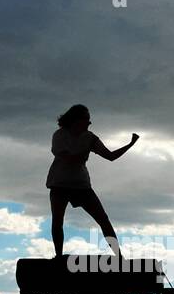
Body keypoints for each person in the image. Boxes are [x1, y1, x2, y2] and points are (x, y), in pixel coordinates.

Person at [45, 104, 138, 259]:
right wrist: (85, 151)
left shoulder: (90, 138)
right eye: (86, 120)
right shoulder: (60, 135)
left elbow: (110, 156)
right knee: (57, 221)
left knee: (103, 219)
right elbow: (68, 158)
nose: (89, 123)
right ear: (75, 120)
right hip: (59, 184)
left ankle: (119, 257)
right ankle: (59, 256)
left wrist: (130, 144)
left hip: (82, 186)